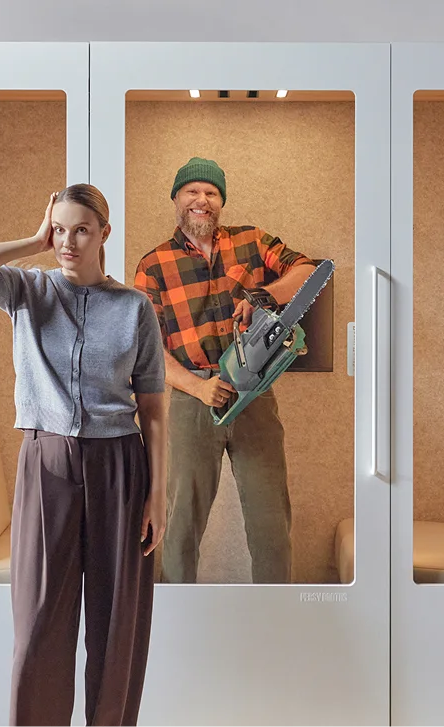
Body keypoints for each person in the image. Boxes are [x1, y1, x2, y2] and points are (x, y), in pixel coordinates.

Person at [0, 184, 168, 727]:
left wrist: (158, 494)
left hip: (120, 467)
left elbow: (154, 411)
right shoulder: (28, 290)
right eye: (60, 229)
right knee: (39, 621)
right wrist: (32, 240)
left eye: (82, 230)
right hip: (46, 462)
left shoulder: (135, 308)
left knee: (117, 625)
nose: (68, 242)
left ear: (104, 234)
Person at [132, 157, 318, 584]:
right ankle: (178, 613)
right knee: (182, 520)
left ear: (221, 202)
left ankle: (274, 612)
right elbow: (148, 349)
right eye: (192, 191)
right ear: (176, 199)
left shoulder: (251, 241)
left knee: (271, 518)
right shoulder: (153, 265)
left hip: (255, 392)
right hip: (193, 399)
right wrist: (198, 389)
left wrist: (263, 297)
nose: (202, 199)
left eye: (211, 193)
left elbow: (308, 272)